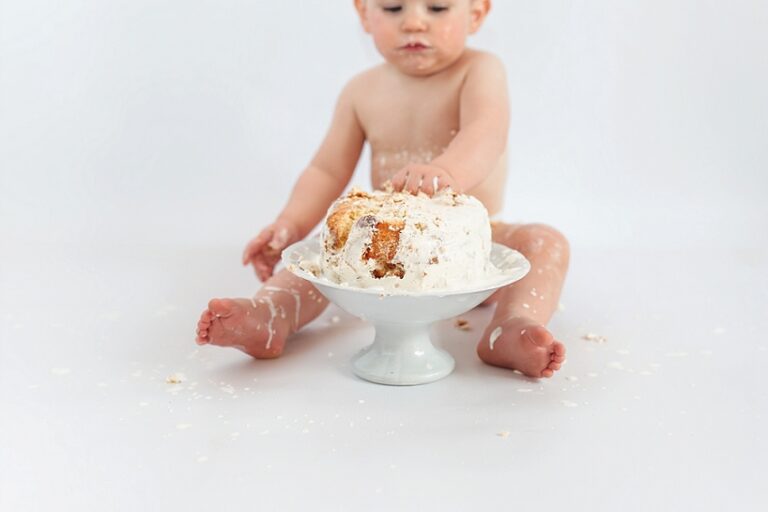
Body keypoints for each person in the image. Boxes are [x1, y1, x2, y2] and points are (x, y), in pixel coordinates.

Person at [195, 0, 569, 378]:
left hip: (472, 251)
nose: (414, 23)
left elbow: (486, 133)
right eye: (393, 8)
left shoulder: (479, 70)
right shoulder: (361, 91)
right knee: (317, 254)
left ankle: (511, 326)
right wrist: (289, 223)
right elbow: (326, 170)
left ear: (475, 13)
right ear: (363, 13)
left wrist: (445, 170)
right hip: (385, 256)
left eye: (437, 8)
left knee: (546, 241)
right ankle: (270, 315)